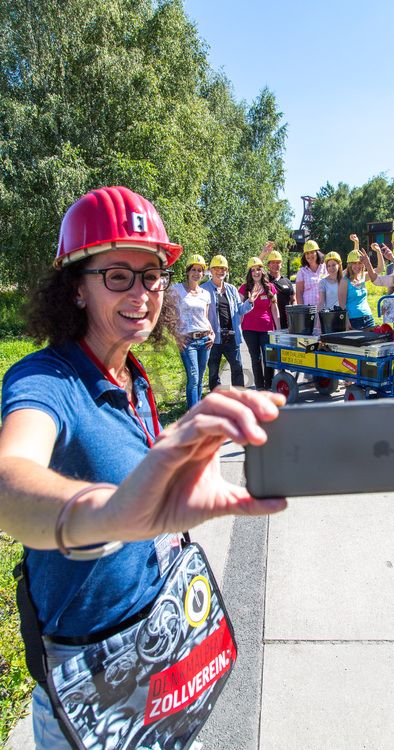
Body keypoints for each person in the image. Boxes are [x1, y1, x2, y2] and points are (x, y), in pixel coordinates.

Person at [0, 186, 287, 749]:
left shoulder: (133, 376)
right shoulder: (45, 381)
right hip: (90, 684)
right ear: (77, 288)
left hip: (158, 653)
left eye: (152, 274)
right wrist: (108, 512)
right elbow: (10, 475)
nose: (142, 293)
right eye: (118, 276)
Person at [202, 254, 252, 390]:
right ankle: (216, 397)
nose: (220, 271)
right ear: (211, 271)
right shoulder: (204, 289)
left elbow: (240, 310)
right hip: (214, 339)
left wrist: (250, 302)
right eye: (217, 268)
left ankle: (239, 396)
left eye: (223, 268)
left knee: (237, 368)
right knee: (213, 371)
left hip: (231, 336)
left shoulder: (231, 289)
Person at [171, 254, 215, 408]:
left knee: (201, 377)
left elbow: (205, 317)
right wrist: (176, 336)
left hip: (205, 339)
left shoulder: (206, 294)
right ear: (188, 272)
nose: (197, 273)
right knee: (194, 377)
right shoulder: (176, 290)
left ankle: (198, 410)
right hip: (187, 340)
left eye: (200, 270)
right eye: (194, 270)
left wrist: (213, 334)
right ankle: (193, 412)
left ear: (204, 274)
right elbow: (168, 314)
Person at [239, 257, 280, 390]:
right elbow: (239, 310)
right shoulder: (244, 288)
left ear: (263, 271)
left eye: (259, 269)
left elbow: (274, 308)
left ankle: (270, 384)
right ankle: (260, 386)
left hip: (267, 328)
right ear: (249, 273)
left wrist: (278, 329)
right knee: (255, 358)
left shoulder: (271, 287)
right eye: (253, 270)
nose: (256, 272)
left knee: (269, 357)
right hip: (249, 329)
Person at [338, 234, 382, 330]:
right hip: (354, 320)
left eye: (359, 263)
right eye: (354, 263)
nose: (357, 266)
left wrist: (378, 251)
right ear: (349, 265)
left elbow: (379, 269)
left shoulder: (363, 276)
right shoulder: (344, 281)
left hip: (369, 318)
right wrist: (346, 321)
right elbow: (342, 305)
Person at [265, 249, 295, 329]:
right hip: (270, 322)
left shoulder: (287, 281)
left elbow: (293, 300)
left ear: (281, 264)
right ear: (268, 265)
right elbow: (254, 271)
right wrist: (263, 253)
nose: (275, 264)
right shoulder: (264, 280)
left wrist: (294, 315)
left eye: (278, 262)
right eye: (273, 262)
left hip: (287, 322)